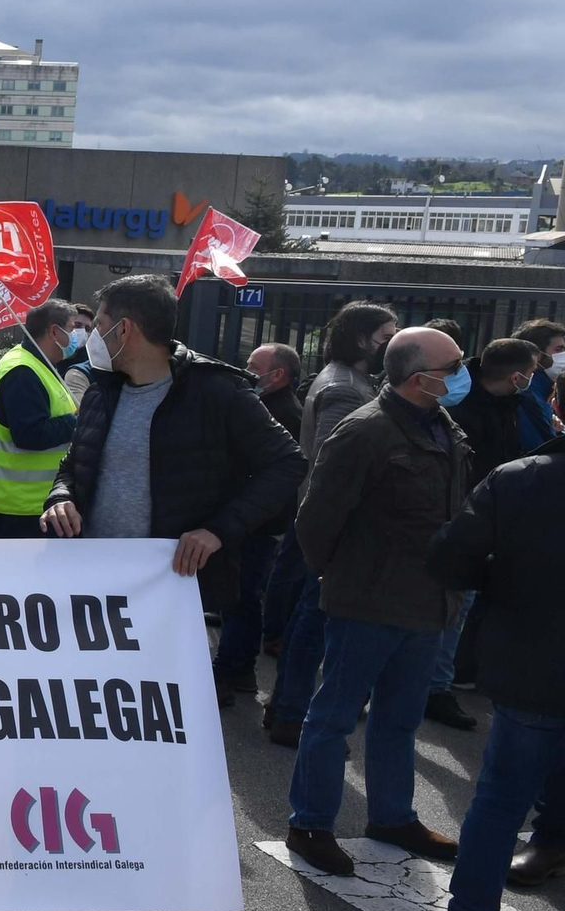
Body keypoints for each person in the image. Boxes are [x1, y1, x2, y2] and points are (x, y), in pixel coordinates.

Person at [283, 326, 470, 878]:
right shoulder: (364, 432)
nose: (462, 373)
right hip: (366, 603)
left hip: (427, 603)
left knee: (399, 720)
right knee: (333, 718)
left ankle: (392, 818)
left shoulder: (441, 424)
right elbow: (314, 523)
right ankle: (311, 823)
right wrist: (341, 580)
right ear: (420, 379)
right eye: (453, 366)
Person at [39, 275, 304, 629]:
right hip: (93, 581)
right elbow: (72, 464)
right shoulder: (100, 392)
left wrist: (218, 531)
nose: (91, 337)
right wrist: (61, 496)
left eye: (98, 325)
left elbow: (288, 462)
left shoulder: (217, 391)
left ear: (124, 329)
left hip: (171, 587)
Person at [421, 433, 565, 911]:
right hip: (538, 659)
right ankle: (551, 841)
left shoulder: (521, 476)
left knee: (502, 797)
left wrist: (501, 578)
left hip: (535, 660)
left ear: (557, 406)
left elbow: (450, 556)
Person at [262, 302, 398, 746]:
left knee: (311, 617)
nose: (390, 344)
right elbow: (334, 468)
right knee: (315, 620)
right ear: (362, 339)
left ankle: (288, 708)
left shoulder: (351, 380)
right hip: (333, 527)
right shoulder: (344, 388)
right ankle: (291, 713)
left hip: (325, 523)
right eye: (385, 336)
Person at [427, 337, 543, 732]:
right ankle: (434, 688)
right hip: (466, 518)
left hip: (483, 517)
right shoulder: (462, 409)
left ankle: (437, 683)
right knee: (452, 607)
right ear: (516, 376)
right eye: (530, 373)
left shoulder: (505, 403)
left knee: (458, 610)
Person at [211, 342, 305, 707]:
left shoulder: (280, 415)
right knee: (244, 595)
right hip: (256, 519)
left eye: (253, 365)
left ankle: (226, 670)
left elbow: (270, 472)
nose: (246, 369)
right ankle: (241, 668)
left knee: (239, 595)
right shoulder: (269, 406)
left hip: (256, 522)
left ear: (277, 374)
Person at [0, 299, 79, 539]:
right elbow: (31, 435)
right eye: (73, 329)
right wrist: (80, 421)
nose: (78, 336)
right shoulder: (23, 370)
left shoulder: (39, 365)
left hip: (31, 504)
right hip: (19, 508)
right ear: (54, 331)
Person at [507, 318, 565, 451]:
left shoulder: (543, 392)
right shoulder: (528, 394)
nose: (563, 355)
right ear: (537, 356)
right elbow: (539, 447)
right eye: (559, 349)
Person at [60, 303, 99, 405]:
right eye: (77, 325)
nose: (82, 331)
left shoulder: (91, 367)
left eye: (87, 329)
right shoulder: (49, 358)